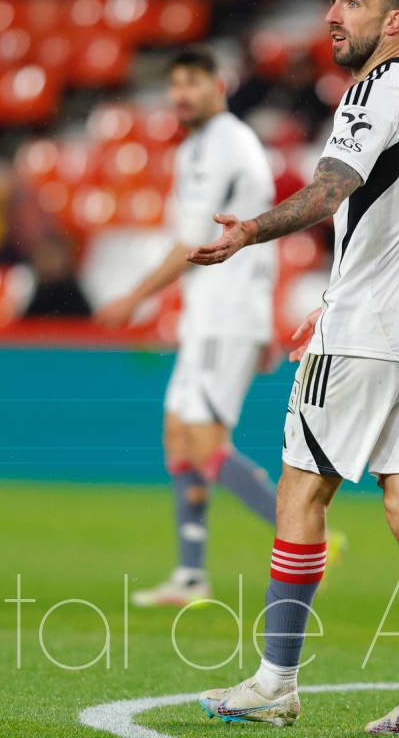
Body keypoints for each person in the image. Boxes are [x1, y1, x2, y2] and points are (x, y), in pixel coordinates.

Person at [187, 0, 399, 735]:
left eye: (352, 2)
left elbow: (329, 190)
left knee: (301, 493)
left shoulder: (374, 91)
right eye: (332, 0)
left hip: (369, 332)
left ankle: (275, 682)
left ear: (395, 21)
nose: (333, 16)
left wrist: (248, 231)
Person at [95, 47, 280, 608]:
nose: (181, 93)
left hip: (229, 311)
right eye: (175, 83)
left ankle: (304, 532)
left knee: (203, 442)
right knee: (179, 433)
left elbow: (195, 242)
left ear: (218, 86)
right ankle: (191, 576)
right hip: (214, 311)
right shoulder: (198, 146)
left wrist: (134, 298)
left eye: (193, 82)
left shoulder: (224, 141)